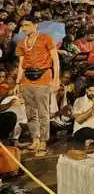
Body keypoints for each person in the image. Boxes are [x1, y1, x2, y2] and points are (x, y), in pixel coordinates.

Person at [14, 16, 60, 156]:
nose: (24, 28)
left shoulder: (46, 38)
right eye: (23, 26)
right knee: (30, 112)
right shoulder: (22, 43)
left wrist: (56, 78)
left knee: (43, 112)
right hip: (27, 79)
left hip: (43, 77)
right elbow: (21, 65)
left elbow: (55, 60)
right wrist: (17, 82)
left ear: (36, 25)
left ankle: (43, 142)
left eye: (27, 25)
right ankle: (35, 139)